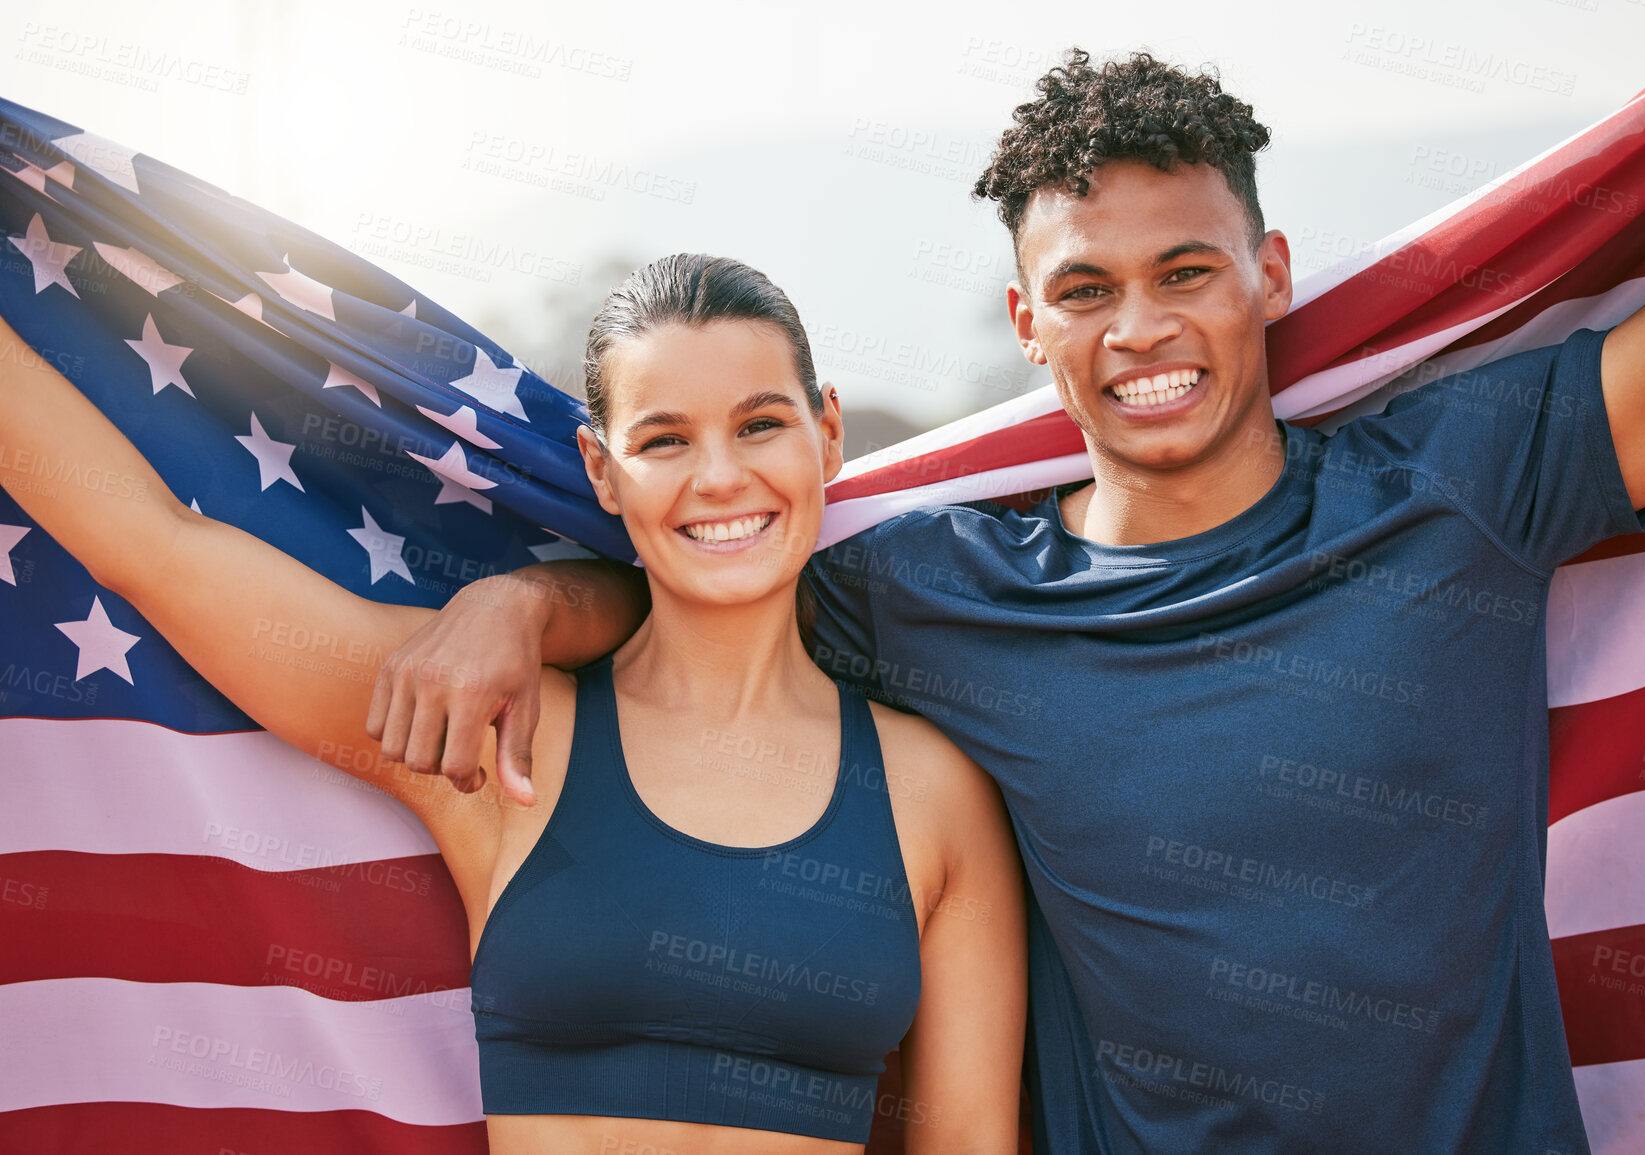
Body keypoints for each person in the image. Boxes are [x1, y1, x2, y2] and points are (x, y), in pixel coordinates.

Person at [369, 51, 1645, 1152]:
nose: (1136, 327)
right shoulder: (934, 596)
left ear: (1268, 272)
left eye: (1183, 271)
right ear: (1027, 323)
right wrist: (519, 608)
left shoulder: (1465, 483)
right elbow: (700, 577)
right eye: (1085, 288)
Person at [0, 253, 1027, 1154]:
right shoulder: (494, 733)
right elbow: (154, 546)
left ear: (827, 433)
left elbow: (972, 1143)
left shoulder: (933, 797)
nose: (720, 477)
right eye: (664, 440)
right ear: (602, 471)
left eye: (760, 424)